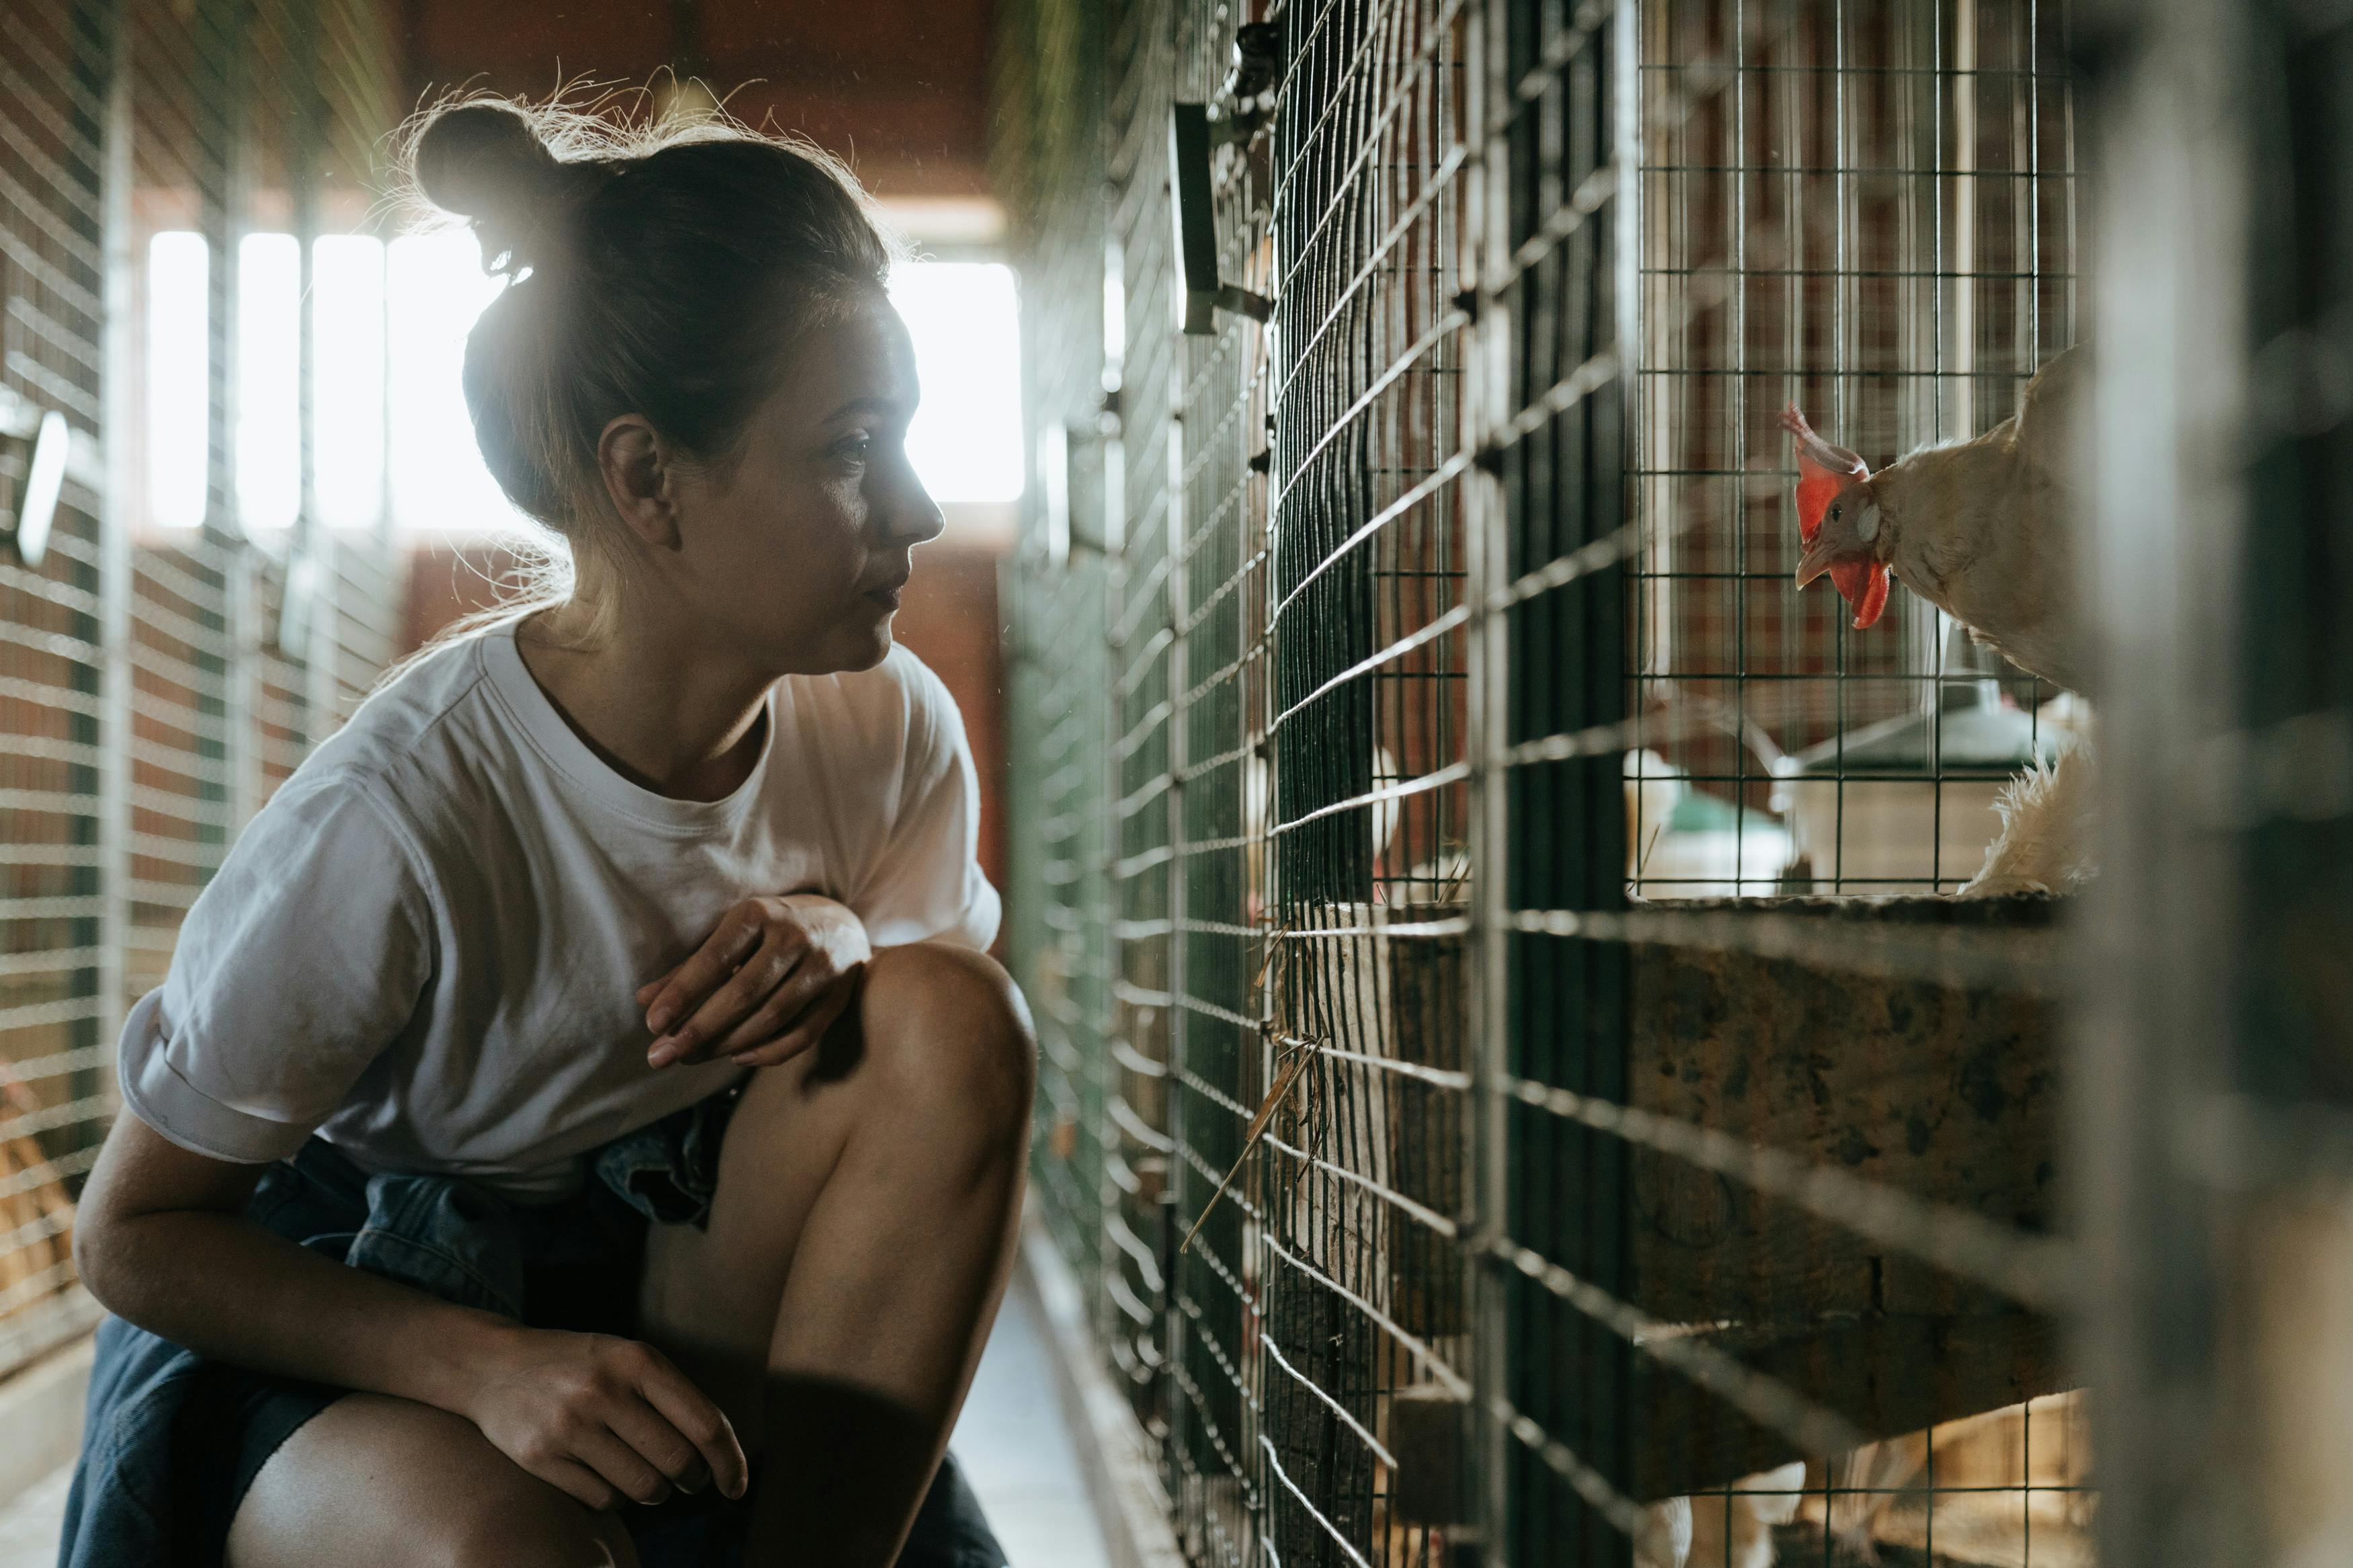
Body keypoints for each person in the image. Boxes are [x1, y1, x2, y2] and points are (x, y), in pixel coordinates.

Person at [59, 96, 1033, 1568]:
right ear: (647, 482)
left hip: (677, 1253)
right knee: (523, 1557)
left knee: (956, 1014)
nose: (913, 504)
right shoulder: (397, 813)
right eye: (853, 446)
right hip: (372, 1302)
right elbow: (130, 1237)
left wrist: (836, 934)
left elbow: (914, 1070)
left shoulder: (886, 721)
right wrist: (483, 1366)